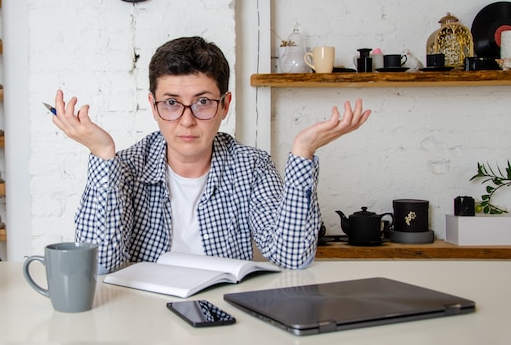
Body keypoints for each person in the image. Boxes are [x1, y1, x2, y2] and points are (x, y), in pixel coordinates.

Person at [52, 36, 371, 274]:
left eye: (202, 102)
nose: (187, 120)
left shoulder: (251, 167)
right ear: (153, 107)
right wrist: (103, 154)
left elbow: (293, 257)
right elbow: (101, 263)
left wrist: (303, 153)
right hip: (143, 317)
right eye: (172, 103)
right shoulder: (125, 167)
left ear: (225, 105)